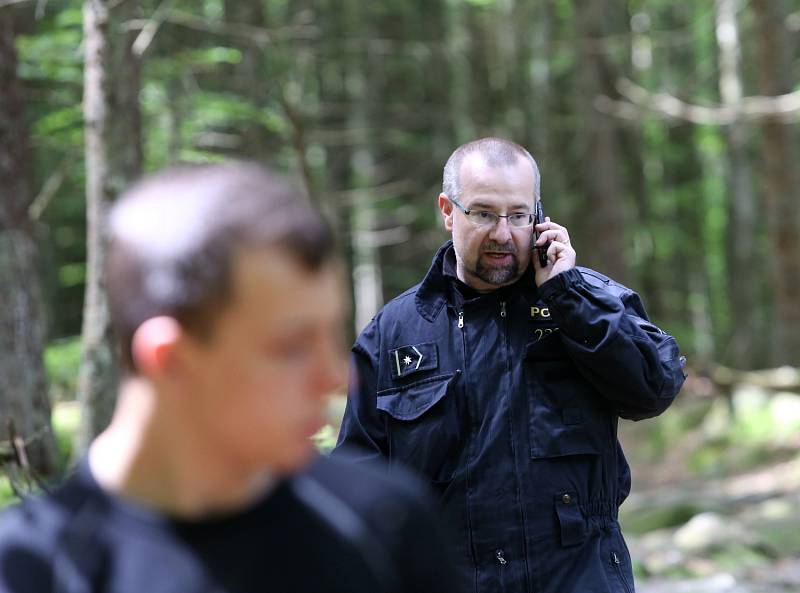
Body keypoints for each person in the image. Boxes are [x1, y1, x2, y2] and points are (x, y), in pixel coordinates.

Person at [0, 162, 459, 593]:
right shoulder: (30, 568)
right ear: (170, 361)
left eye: (331, 334)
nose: (336, 378)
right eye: (292, 348)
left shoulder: (384, 523)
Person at [334, 137, 687, 593]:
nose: (503, 233)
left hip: (577, 576)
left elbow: (652, 389)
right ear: (447, 210)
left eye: (518, 215)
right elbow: (358, 484)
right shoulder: (394, 334)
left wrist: (568, 297)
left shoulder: (585, 299)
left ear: (539, 215)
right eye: (483, 213)